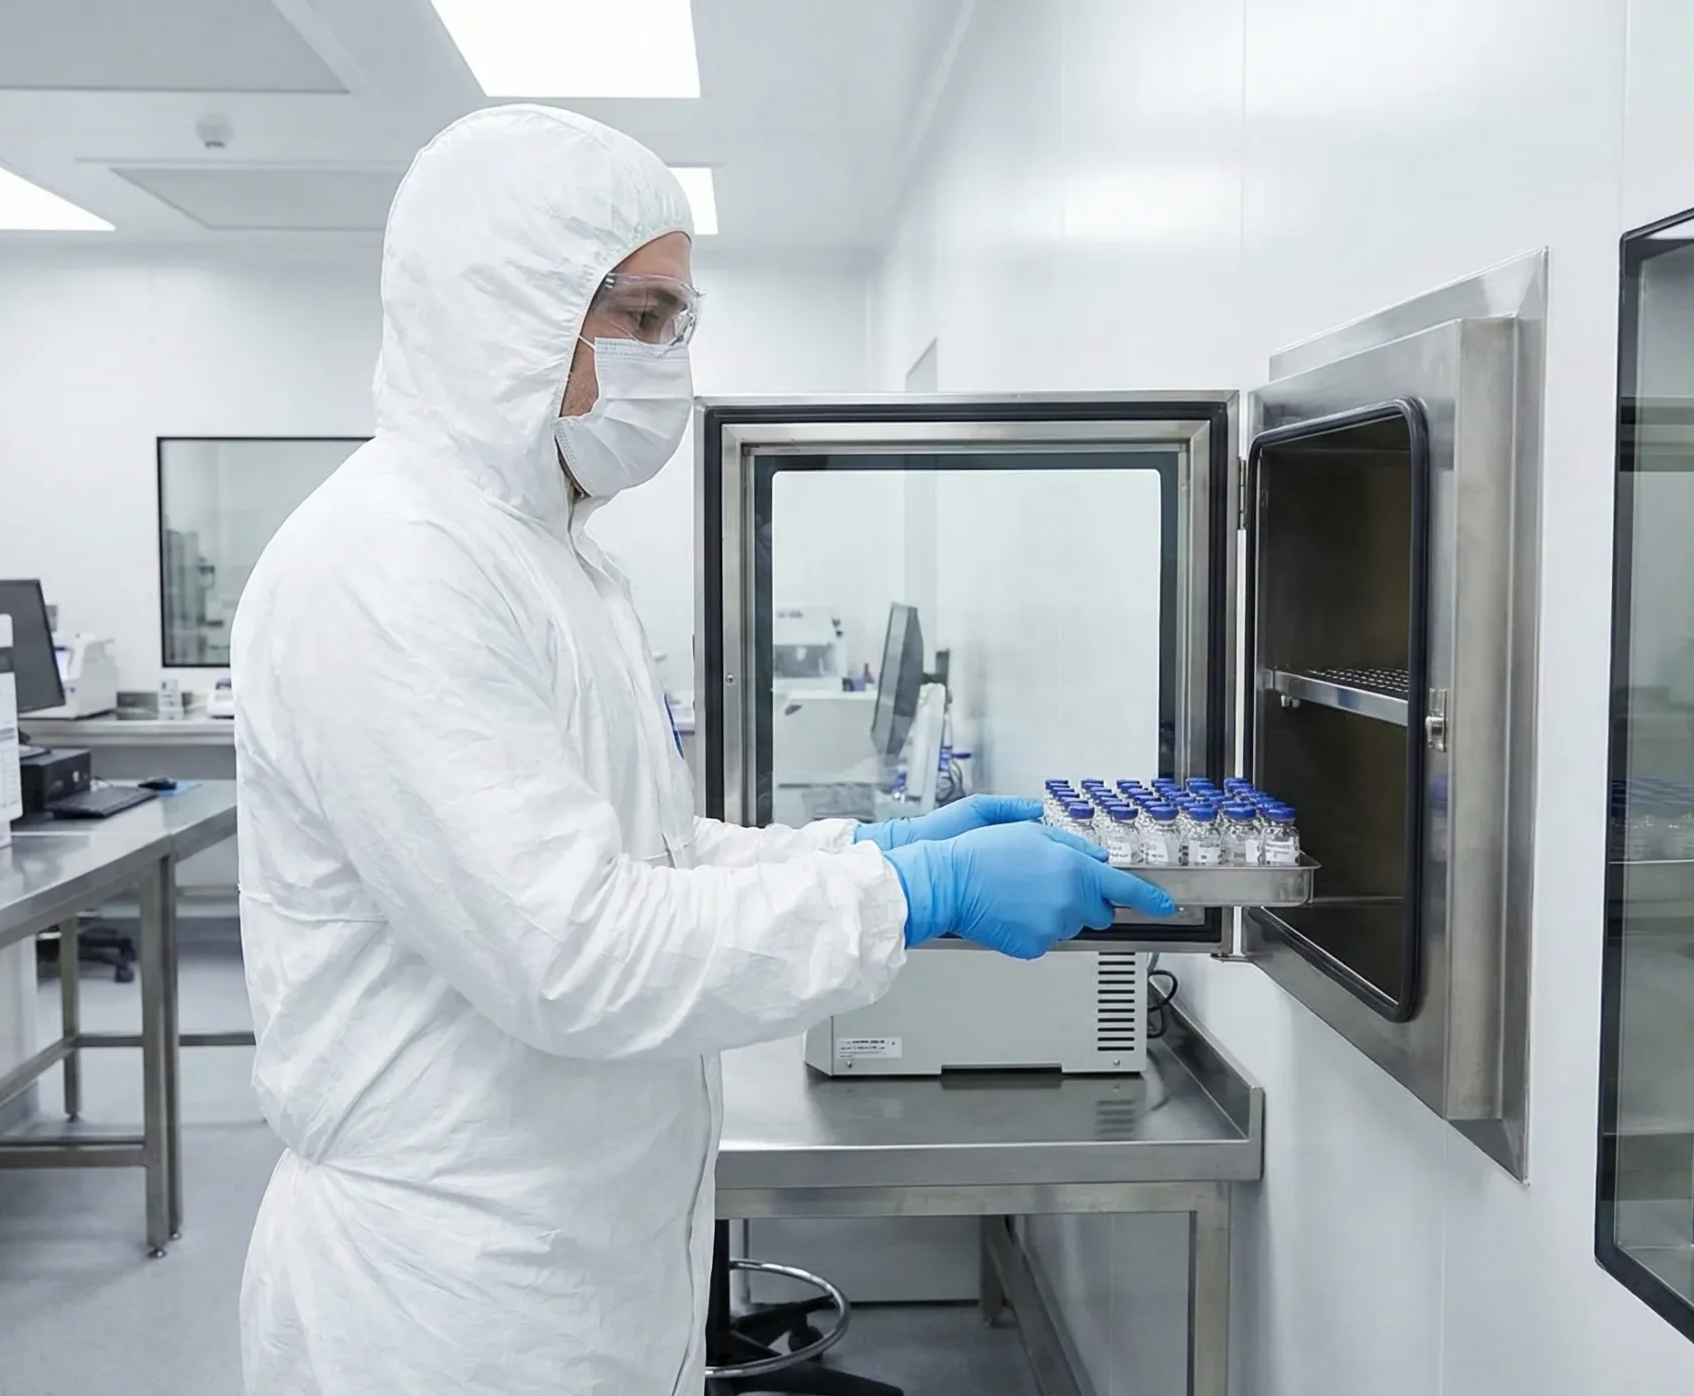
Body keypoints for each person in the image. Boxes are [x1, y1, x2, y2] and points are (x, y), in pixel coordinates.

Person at [229, 105, 1175, 1396]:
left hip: (576, 1257)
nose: (674, 356)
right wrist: (909, 897)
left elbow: (646, 857)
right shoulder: (393, 567)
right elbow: (573, 951)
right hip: (452, 1304)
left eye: (683, 320)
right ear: (517, 309)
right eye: (649, 316)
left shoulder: (549, 558)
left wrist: (865, 846)